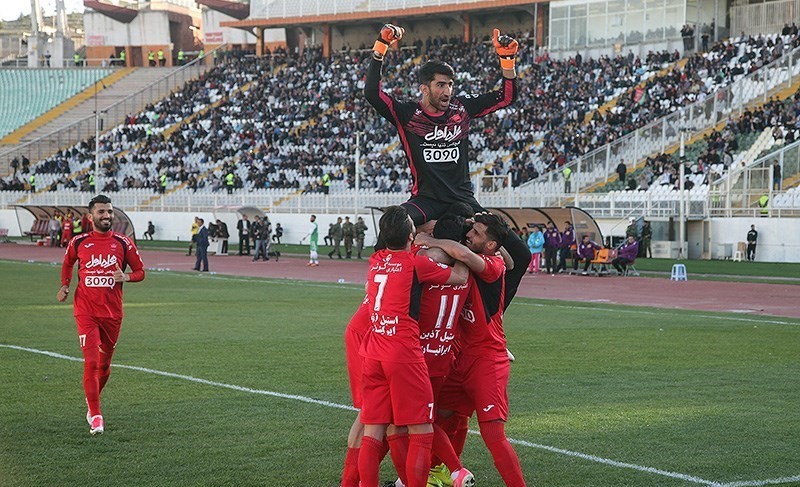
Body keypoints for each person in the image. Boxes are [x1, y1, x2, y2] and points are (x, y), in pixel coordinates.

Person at [415, 212, 529, 487]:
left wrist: (427, 239)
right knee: (435, 419)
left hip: (487, 360)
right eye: (471, 230)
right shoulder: (485, 256)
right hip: (460, 359)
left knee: (493, 435)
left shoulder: (491, 263)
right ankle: (441, 472)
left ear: (490, 246)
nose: (469, 235)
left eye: (476, 233)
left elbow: (465, 255)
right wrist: (465, 230)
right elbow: (465, 253)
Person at [357, 206, 468, 487]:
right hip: (403, 354)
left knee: (373, 433)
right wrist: (463, 251)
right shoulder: (416, 262)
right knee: (420, 430)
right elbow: (459, 277)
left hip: (373, 353)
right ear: (411, 234)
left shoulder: (376, 259)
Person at [364, 24, 518, 225]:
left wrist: (507, 61)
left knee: (516, 247)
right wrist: (381, 46)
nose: (447, 91)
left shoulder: (462, 107)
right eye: (440, 85)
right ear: (424, 89)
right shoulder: (407, 114)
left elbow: (507, 97)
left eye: (450, 85)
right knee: (393, 223)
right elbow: (372, 94)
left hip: (463, 200)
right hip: (426, 200)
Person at [57, 194, 146, 435]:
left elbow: (140, 272)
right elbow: (67, 264)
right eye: (101, 212)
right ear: (90, 216)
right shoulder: (79, 242)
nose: (106, 215)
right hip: (85, 311)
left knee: (105, 366)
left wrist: (125, 277)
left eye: (109, 211)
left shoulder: (123, 242)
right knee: (92, 361)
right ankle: (96, 415)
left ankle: (91, 400)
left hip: (112, 313)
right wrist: (65, 285)